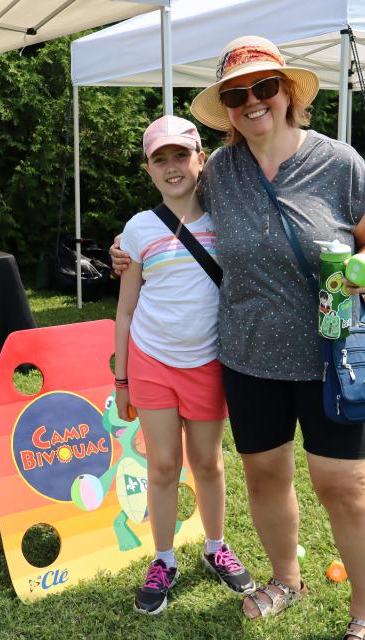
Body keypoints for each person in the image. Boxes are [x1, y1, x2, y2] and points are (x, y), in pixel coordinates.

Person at [112, 36, 365, 640]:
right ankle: (286, 578)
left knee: (341, 484)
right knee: (266, 477)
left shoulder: (339, 162)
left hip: (328, 352)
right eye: (237, 94)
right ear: (228, 109)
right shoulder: (221, 170)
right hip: (247, 359)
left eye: (265, 87)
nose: (252, 101)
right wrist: (125, 253)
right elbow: (176, 208)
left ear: (289, 93)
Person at [114, 114, 255, 616]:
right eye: (160, 159)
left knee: (209, 464)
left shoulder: (227, 220)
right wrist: (122, 379)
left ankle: (215, 546)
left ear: (201, 159)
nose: (172, 167)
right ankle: (164, 559)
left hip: (210, 364)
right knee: (164, 465)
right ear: (148, 169)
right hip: (152, 363)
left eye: (180, 155)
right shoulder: (137, 230)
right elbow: (127, 308)